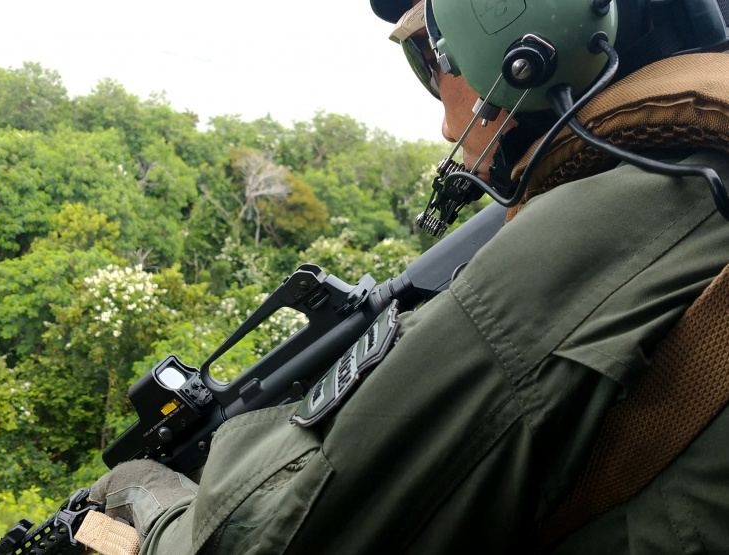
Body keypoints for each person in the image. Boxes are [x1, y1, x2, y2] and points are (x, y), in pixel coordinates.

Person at [85, 0, 729, 552]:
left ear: (524, 41)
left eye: (432, 56)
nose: (449, 122)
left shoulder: (603, 229)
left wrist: (134, 498)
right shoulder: (699, 178)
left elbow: (256, 539)